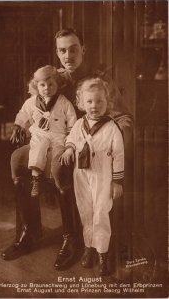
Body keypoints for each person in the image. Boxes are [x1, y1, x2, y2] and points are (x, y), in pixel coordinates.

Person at [1, 28, 133, 270]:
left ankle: (70, 238)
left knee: (61, 167)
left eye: (73, 48)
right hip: (51, 140)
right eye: (62, 50)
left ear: (83, 49)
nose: (68, 55)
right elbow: (34, 104)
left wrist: (116, 137)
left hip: (83, 149)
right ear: (57, 53)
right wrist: (28, 124)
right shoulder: (54, 78)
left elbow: (123, 116)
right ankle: (31, 231)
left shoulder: (99, 79)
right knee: (17, 159)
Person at [60, 75, 124, 276]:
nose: (94, 105)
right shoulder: (80, 124)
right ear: (80, 103)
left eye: (99, 101)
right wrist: (69, 149)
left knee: (101, 212)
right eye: (89, 101)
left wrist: (117, 182)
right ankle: (89, 247)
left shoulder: (112, 127)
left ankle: (103, 253)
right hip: (81, 173)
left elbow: (119, 155)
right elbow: (71, 138)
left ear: (107, 103)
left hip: (103, 176)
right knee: (85, 210)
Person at [10, 65, 77, 198]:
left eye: (51, 84)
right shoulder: (32, 102)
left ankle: (58, 184)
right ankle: (36, 179)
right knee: (37, 148)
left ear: (57, 84)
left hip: (58, 135)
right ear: (37, 86)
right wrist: (17, 127)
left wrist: (70, 135)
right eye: (42, 85)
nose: (47, 88)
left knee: (58, 156)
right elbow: (23, 114)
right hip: (40, 134)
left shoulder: (64, 102)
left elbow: (72, 118)